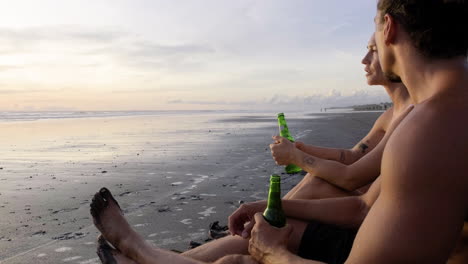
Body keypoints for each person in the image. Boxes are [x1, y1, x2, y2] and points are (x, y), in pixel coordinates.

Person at [91, 0, 468, 262]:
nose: (366, 55)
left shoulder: (429, 129)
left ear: (389, 27)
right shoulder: (437, 114)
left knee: (243, 260)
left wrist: (274, 253)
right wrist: (271, 205)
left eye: (371, 32)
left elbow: (355, 179)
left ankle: (145, 256)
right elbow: (362, 202)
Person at [281, 33, 412, 201]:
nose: (364, 60)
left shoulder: (411, 112)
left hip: (384, 210)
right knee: (314, 179)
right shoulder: (390, 115)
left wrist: (295, 157)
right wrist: (301, 149)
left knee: (317, 183)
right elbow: (353, 156)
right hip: (373, 203)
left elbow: (350, 178)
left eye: (374, 50)